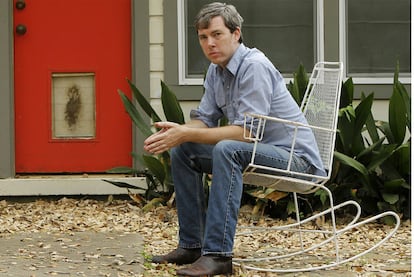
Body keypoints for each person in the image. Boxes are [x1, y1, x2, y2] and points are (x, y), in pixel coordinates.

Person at [144, 2, 325, 276]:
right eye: (203, 37)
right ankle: (192, 246)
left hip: (297, 162)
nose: (210, 43)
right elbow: (203, 119)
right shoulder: (217, 70)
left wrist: (188, 132)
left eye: (217, 34)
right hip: (264, 154)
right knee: (184, 150)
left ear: (236, 33)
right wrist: (178, 132)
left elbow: (248, 133)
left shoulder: (254, 67)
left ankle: (218, 256)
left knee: (228, 149)